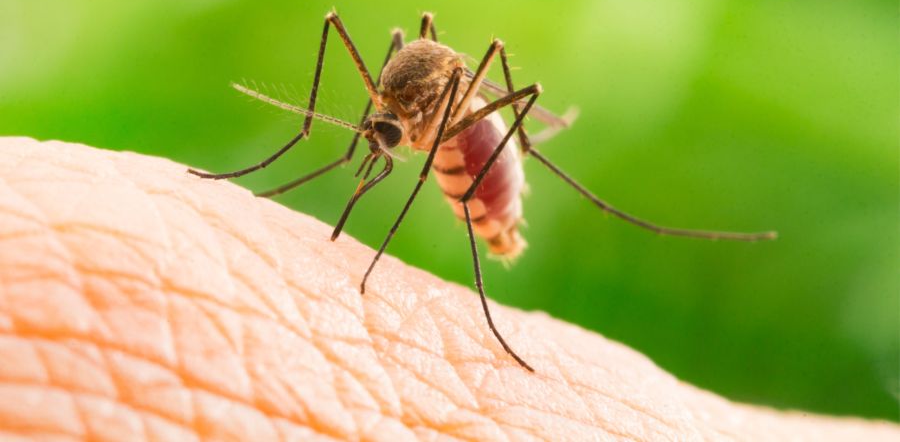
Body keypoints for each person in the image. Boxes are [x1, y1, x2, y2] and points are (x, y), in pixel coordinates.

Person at [0, 137, 895, 440]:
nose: (374, 147)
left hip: (479, 147)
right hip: (452, 120)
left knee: (469, 103)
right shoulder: (395, 94)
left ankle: (558, 210)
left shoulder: (443, 116)